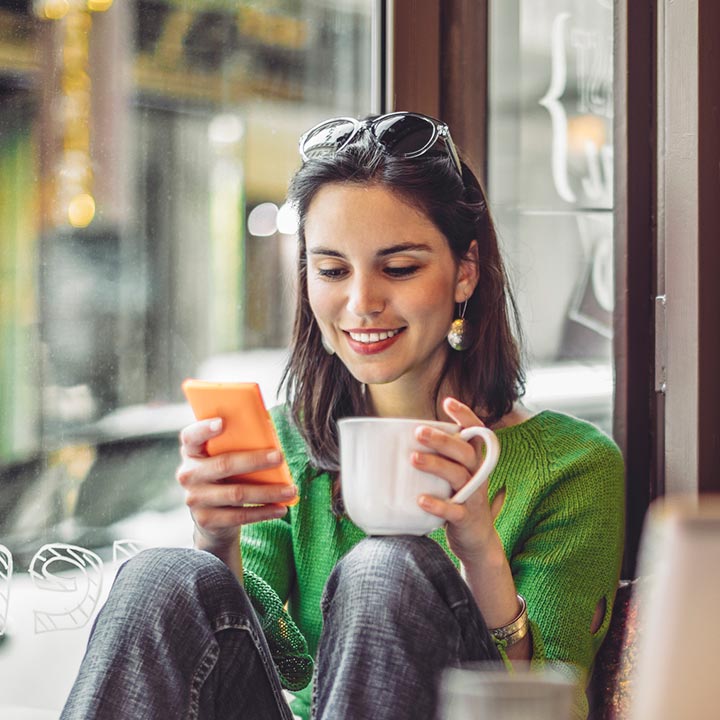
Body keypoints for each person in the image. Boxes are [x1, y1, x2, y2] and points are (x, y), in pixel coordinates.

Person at [60, 112, 625, 720]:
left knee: (387, 568)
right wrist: (217, 542)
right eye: (332, 271)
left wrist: (479, 552)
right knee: (164, 574)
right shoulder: (288, 441)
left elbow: (551, 705)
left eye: (399, 268)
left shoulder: (573, 467)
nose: (361, 304)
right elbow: (281, 663)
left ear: (465, 271)